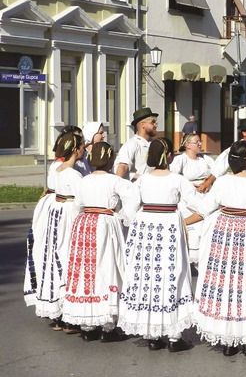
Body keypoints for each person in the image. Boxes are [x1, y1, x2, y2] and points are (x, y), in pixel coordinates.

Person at [189, 141, 246, 356]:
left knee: (226, 282)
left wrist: (183, 222)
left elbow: (204, 210)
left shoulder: (222, 182)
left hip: (223, 233)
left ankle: (229, 341)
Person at [119, 138, 197, 352]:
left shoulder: (143, 180)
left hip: (146, 229)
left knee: (149, 277)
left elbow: (130, 209)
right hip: (169, 227)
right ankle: (174, 336)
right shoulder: (177, 180)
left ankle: (153, 335)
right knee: (173, 275)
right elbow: (198, 203)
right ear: (169, 156)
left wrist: (140, 221)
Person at [61, 142, 136, 342]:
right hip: (104, 224)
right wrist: (122, 216)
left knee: (86, 270)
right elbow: (133, 198)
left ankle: (88, 326)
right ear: (110, 160)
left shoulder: (84, 180)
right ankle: (107, 327)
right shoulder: (115, 181)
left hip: (84, 224)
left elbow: (77, 205)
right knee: (106, 268)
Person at [34, 132, 85, 332]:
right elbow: (81, 198)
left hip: (58, 213)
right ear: (75, 150)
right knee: (68, 259)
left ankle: (59, 312)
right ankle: (68, 314)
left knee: (57, 259)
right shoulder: (73, 174)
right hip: (69, 215)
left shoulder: (60, 169)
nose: (84, 149)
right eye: (81, 146)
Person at [170, 133, 216, 264]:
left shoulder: (206, 159)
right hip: (188, 199)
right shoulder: (181, 160)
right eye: (197, 142)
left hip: (206, 195)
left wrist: (207, 182)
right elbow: (173, 177)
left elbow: (217, 172)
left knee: (205, 226)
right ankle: (188, 259)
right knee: (193, 228)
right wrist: (188, 185)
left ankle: (204, 258)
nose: (200, 144)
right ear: (187, 145)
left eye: (200, 142)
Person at [115, 107, 158, 181]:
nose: (155, 125)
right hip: (136, 189)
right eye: (152, 122)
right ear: (142, 125)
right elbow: (122, 169)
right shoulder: (132, 144)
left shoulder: (155, 144)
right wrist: (142, 177)